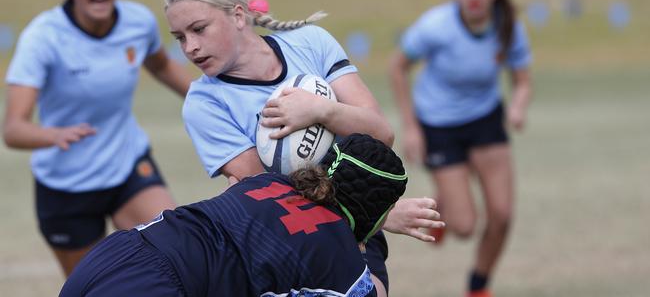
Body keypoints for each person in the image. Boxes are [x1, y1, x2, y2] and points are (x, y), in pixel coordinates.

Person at [164, 0, 443, 294]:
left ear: (238, 15)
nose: (190, 48)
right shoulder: (204, 103)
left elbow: (380, 132)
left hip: (355, 225)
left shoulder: (310, 42)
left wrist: (319, 111)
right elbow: (268, 195)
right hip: (286, 241)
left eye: (199, 29)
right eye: (180, 37)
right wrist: (384, 216)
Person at [2, 0, 193, 276]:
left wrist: (204, 100)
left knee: (178, 255)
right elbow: (14, 129)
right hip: (66, 186)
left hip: (127, 166)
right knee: (96, 286)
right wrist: (53, 135)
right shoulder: (43, 37)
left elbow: (161, 66)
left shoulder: (137, 22)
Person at [59, 134, 412, 297]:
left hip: (116, 252)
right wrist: (368, 242)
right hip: (163, 285)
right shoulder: (340, 257)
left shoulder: (265, 181)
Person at [389, 0, 533, 297]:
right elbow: (397, 67)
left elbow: (522, 79)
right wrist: (411, 127)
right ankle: (447, 202)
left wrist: (517, 106)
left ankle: (478, 287)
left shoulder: (507, 24)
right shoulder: (436, 26)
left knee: (502, 214)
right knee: (465, 226)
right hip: (439, 124)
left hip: (485, 120)